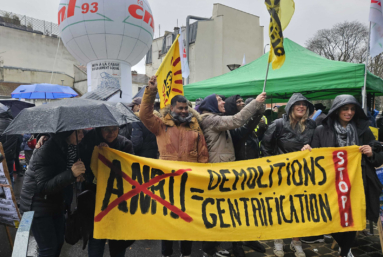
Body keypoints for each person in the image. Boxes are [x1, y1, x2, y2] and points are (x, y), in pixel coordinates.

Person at [140, 76, 209, 257]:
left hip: (190, 182)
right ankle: (167, 253)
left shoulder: (195, 126)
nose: (185, 111)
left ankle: (186, 253)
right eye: (181, 108)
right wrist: (151, 91)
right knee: (168, 221)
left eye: (187, 108)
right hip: (167, 183)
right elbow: (144, 115)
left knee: (187, 220)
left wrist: (203, 178)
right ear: (172, 108)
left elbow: (203, 154)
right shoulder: (161, 125)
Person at [309, 95, 383, 257]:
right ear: (336, 110)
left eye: (352, 109)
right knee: (330, 217)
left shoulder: (363, 129)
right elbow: (314, 156)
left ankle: (345, 251)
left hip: (357, 182)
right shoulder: (322, 130)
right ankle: (344, 246)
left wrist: (371, 153)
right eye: (345, 109)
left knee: (353, 218)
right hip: (331, 183)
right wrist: (307, 150)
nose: (349, 112)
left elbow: (379, 155)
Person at [199, 92, 266, 257]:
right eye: (219, 100)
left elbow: (241, 128)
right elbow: (237, 120)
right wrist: (256, 103)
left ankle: (218, 246)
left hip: (225, 173)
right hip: (218, 174)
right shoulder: (210, 119)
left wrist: (258, 111)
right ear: (210, 105)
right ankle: (209, 248)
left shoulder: (216, 119)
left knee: (226, 212)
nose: (223, 101)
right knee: (217, 213)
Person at [261, 93, 316, 257]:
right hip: (280, 175)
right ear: (291, 106)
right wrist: (272, 170)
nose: (301, 106)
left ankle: (296, 241)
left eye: (304, 104)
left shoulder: (312, 125)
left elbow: (319, 147)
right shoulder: (277, 124)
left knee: (299, 208)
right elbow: (265, 148)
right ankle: (278, 239)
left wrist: (311, 149)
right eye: (298, 104)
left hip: (303, 174)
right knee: (279, 207)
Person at [20, 130, 86, 257]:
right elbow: (43, 187)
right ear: (66, 133)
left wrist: (76, 176)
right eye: (78, 133)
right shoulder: (47, 150)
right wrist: (71, 174)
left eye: (82, 132)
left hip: (55, 202)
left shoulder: (70, 148)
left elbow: (61, 174)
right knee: (48, 248)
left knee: (58, 243)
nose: (82, 136)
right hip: (36, 205)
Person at [224, 95, 266, 254]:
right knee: (236, 210)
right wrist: (257, 109)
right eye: (238, 102)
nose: (242, 104)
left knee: (251, 208)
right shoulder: (230, 124)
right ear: (231, 107)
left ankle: (250, 238)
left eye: (243, 101)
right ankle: (236, 245)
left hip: (251, 172)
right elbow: (244, 128)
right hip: (237, 174)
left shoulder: (244, 124)